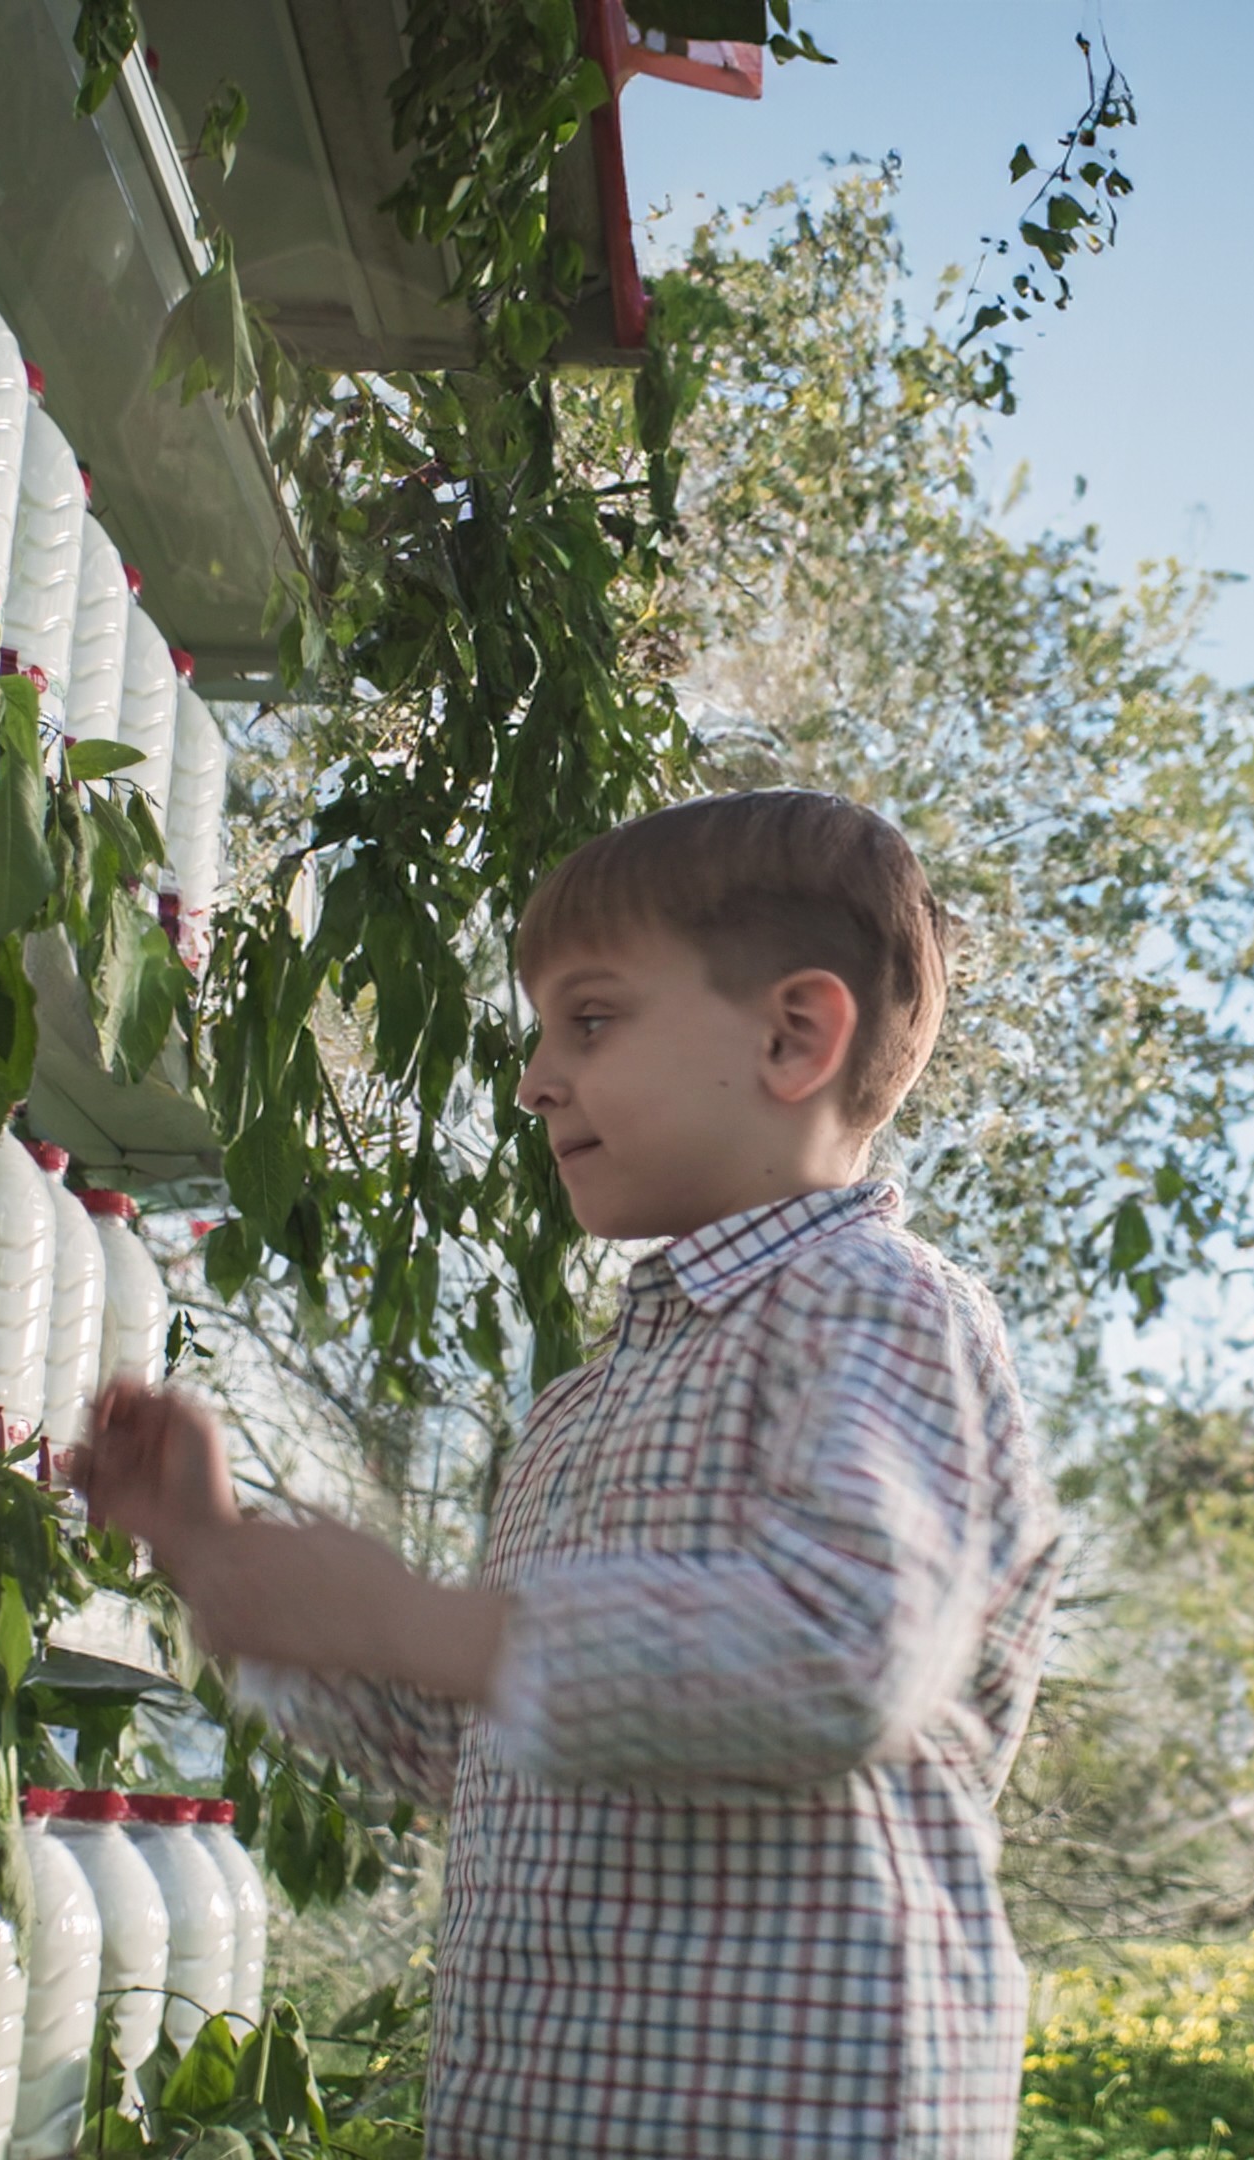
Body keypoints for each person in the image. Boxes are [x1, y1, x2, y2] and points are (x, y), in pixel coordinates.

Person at [79, 789, 1064, 2157]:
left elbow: (843, 1654)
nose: (537, 1078)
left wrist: (419, 1619)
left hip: (790, 2118)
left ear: (795, 1036)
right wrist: (227, 1564)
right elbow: (475, 1746)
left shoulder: (879, 1311)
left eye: (590, 1022)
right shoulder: (581, 1410)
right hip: (547, 2106)